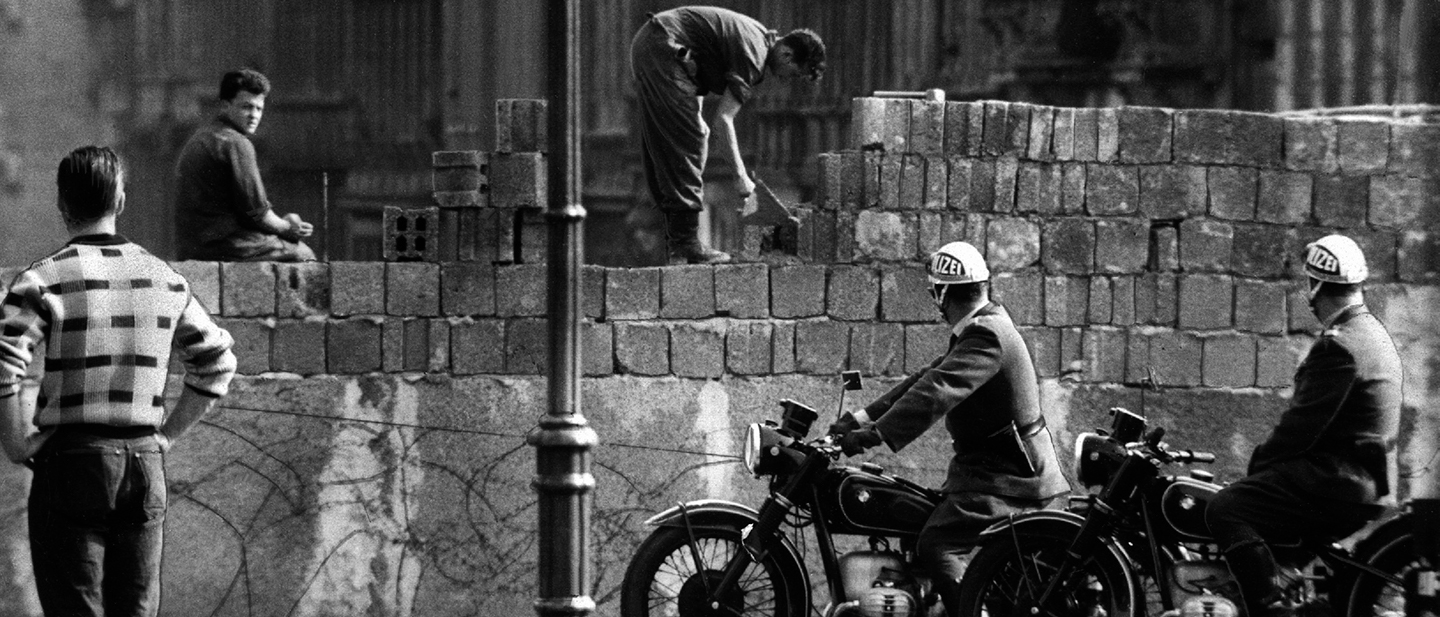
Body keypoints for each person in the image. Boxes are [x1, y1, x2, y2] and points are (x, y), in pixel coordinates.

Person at [0, 146, 237, 616]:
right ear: (121, 201)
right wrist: (166, 437)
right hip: (144, 466)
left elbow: (4, 359)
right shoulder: (164, 280)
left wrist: (16, 442)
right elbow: (217, 362)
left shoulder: (43, 279)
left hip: (71, 464)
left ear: (63, 205)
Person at [831, 241, 1071, 617]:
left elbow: (935, 393)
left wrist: (870, 437)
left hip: (1011, 478)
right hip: (993, 470)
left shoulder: (986, 335)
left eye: (934, 293)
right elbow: (924, 380)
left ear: (943, 293)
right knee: (919, 518)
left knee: (937, 544)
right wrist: (858, 420)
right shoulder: (983, 326)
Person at [1206, 234, 1402, 617]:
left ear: (1315, 286)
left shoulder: (1339, 345)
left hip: (1338, 483)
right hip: (1364, 482)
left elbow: (1300, 428)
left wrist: (1256, 469)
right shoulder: (1373, 334)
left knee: (1226, 507)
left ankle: (1270, 610)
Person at [630, 6, 825, 264]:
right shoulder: (754, 54)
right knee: (689, 140)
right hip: (663, 48)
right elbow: (724, 119)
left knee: (693, 133)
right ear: (787, 55)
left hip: (659, 45)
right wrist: (742, 178)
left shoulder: (759, 36)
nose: (788, 80)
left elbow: (698, 56)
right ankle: (686, 243)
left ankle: (680, 241)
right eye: (795, 74)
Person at [174, 68, 316, 261]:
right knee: (304, 255)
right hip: (225, 245)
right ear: (225, 106)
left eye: (259, 109)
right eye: (246, 107)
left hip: (191, 246)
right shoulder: (236, 143)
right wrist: (288, 227)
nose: (254, 115)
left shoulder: (200, 138)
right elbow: (258, 214)